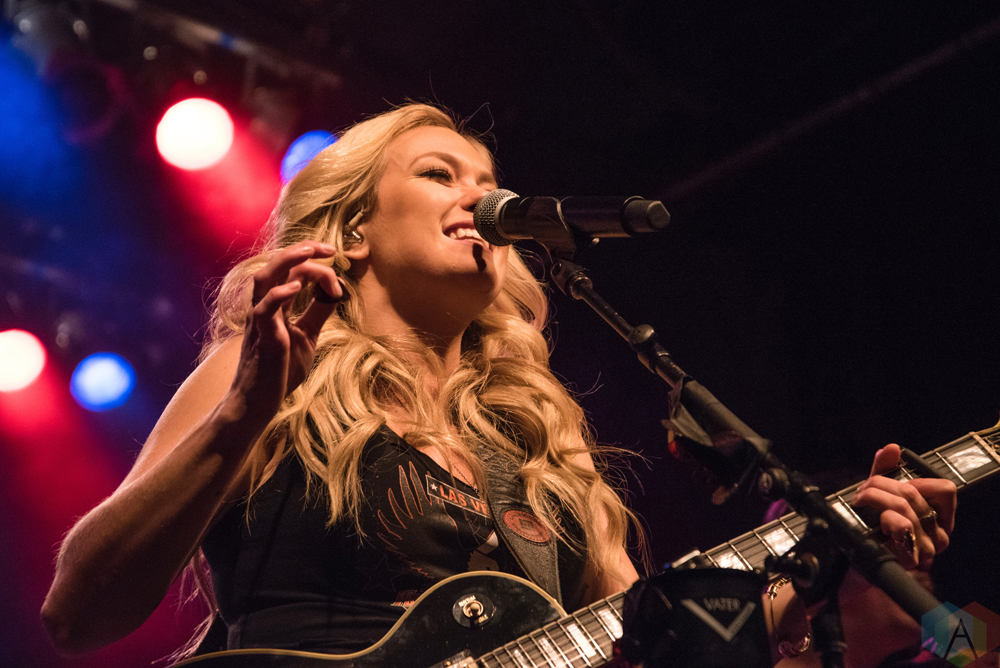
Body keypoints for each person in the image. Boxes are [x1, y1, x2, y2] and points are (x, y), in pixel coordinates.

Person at [40, 103, 957, 667]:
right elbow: (80, 611)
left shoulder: (538, 445)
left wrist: (821, 567)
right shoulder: (278, 372)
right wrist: (243, 414)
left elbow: (649, 644)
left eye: (487, 182)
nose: (479, 199)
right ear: (354, 229)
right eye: (439, 175)